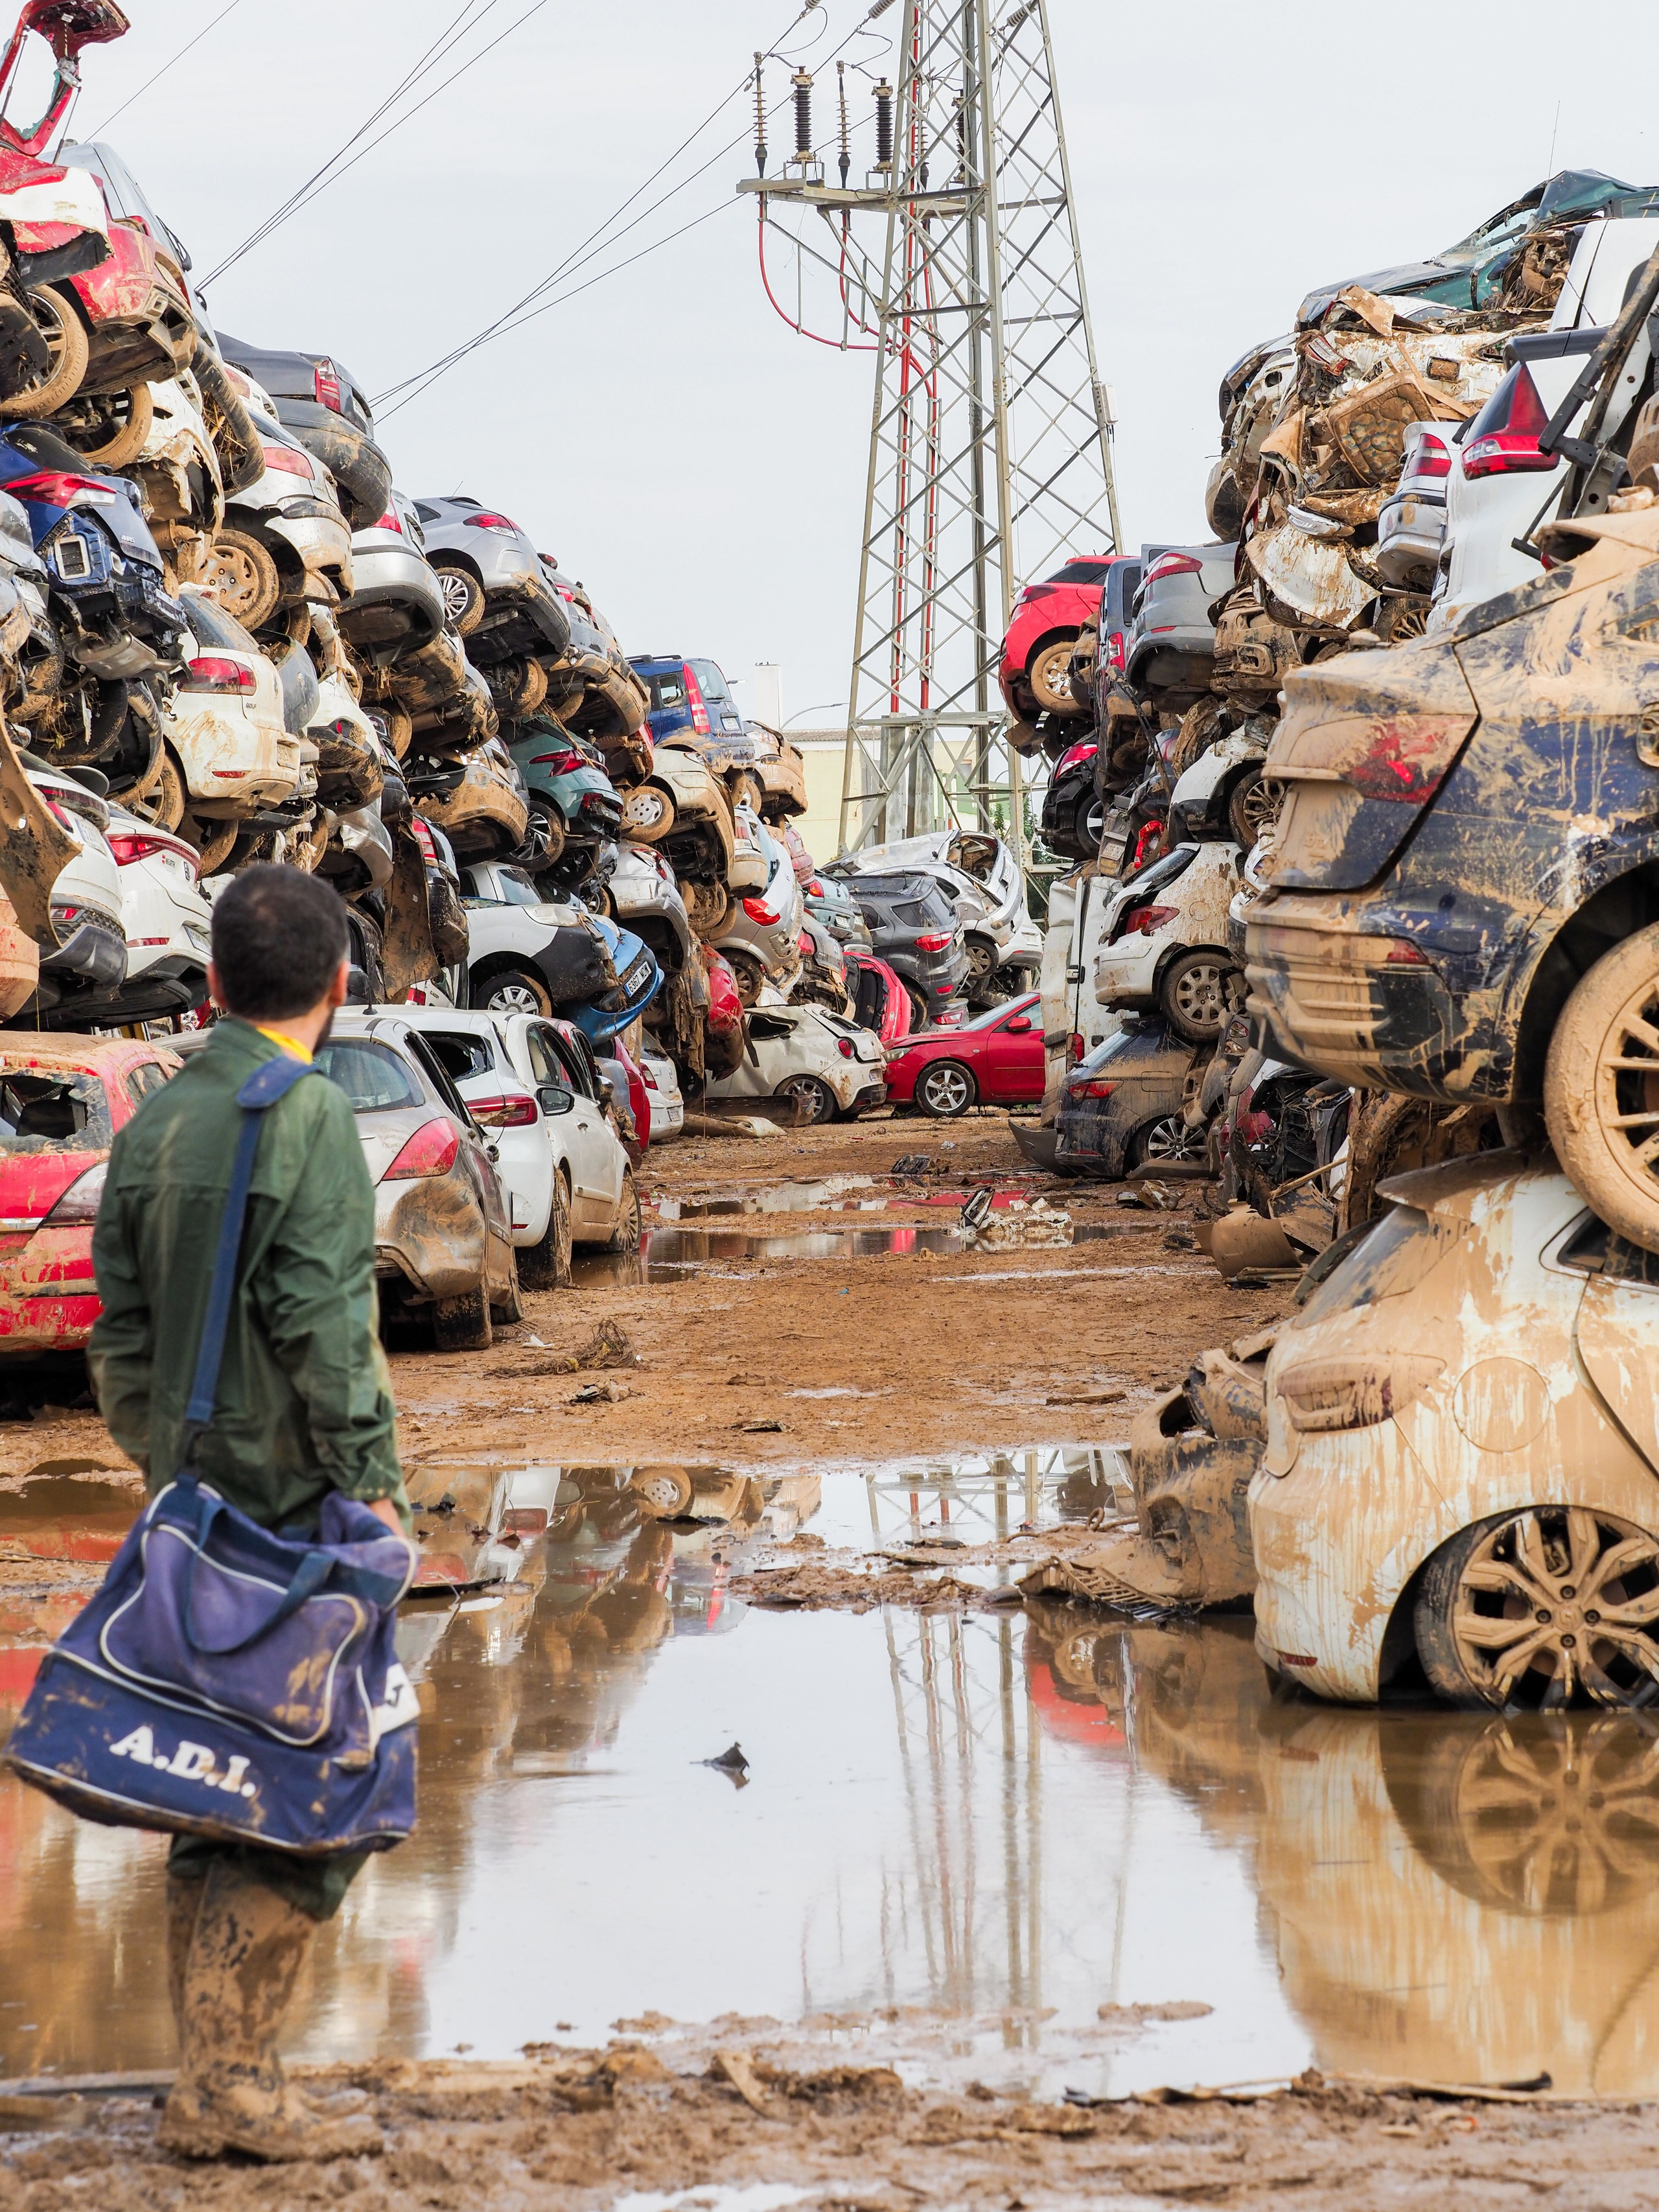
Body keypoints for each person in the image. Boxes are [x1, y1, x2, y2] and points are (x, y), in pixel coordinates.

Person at [89, 865, 410, 2163]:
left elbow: (115, 1334)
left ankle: (211, 2083)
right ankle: (235, 2087)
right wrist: (373, 1484)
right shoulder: (313, 1114)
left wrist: (167, 1455)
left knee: (208, 1783)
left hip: (188, 1504)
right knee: (325, 1782)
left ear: (213, 981)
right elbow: (329, 1327)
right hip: (296, 1507)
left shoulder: (153, 1121)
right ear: (339, 985)